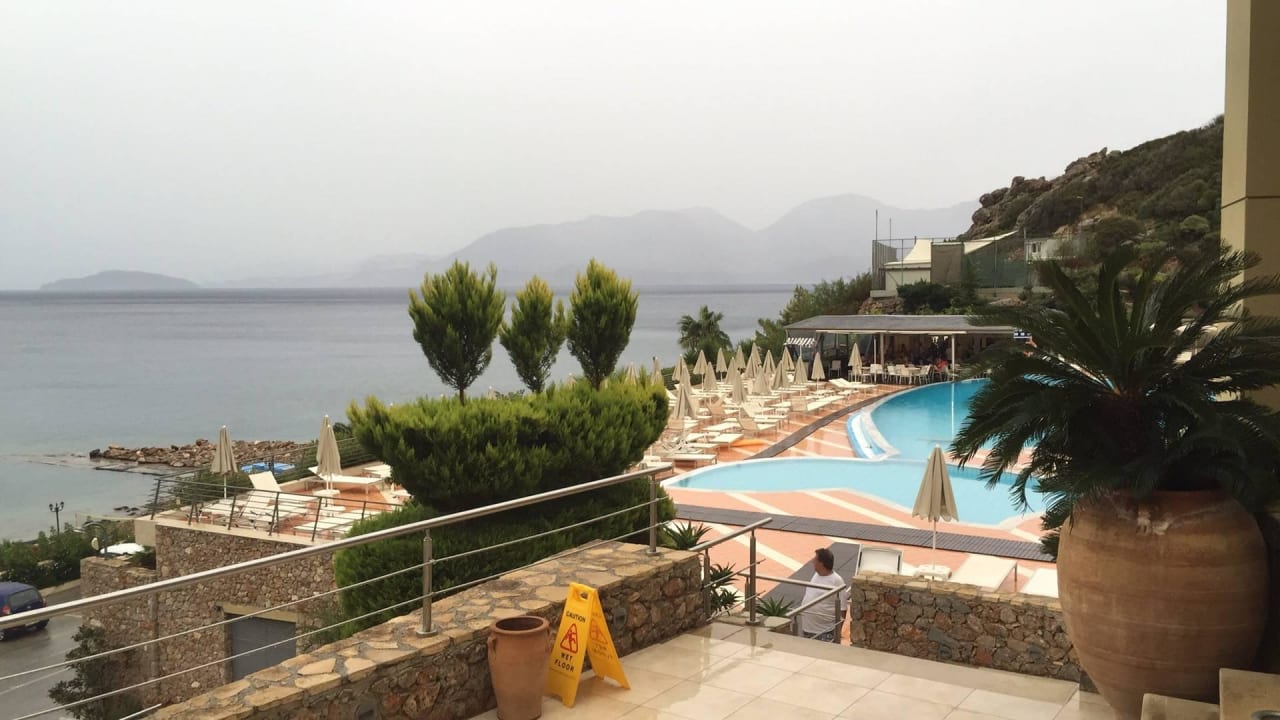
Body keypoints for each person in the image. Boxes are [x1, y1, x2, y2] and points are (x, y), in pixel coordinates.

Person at [798, 548, 848, 642]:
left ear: (821, 563)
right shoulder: (816, 575)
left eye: (815, 559)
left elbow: (843, 609)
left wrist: (837, 633)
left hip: (825, 631)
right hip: (808, 629)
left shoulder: (837, 581)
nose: (812, 561)